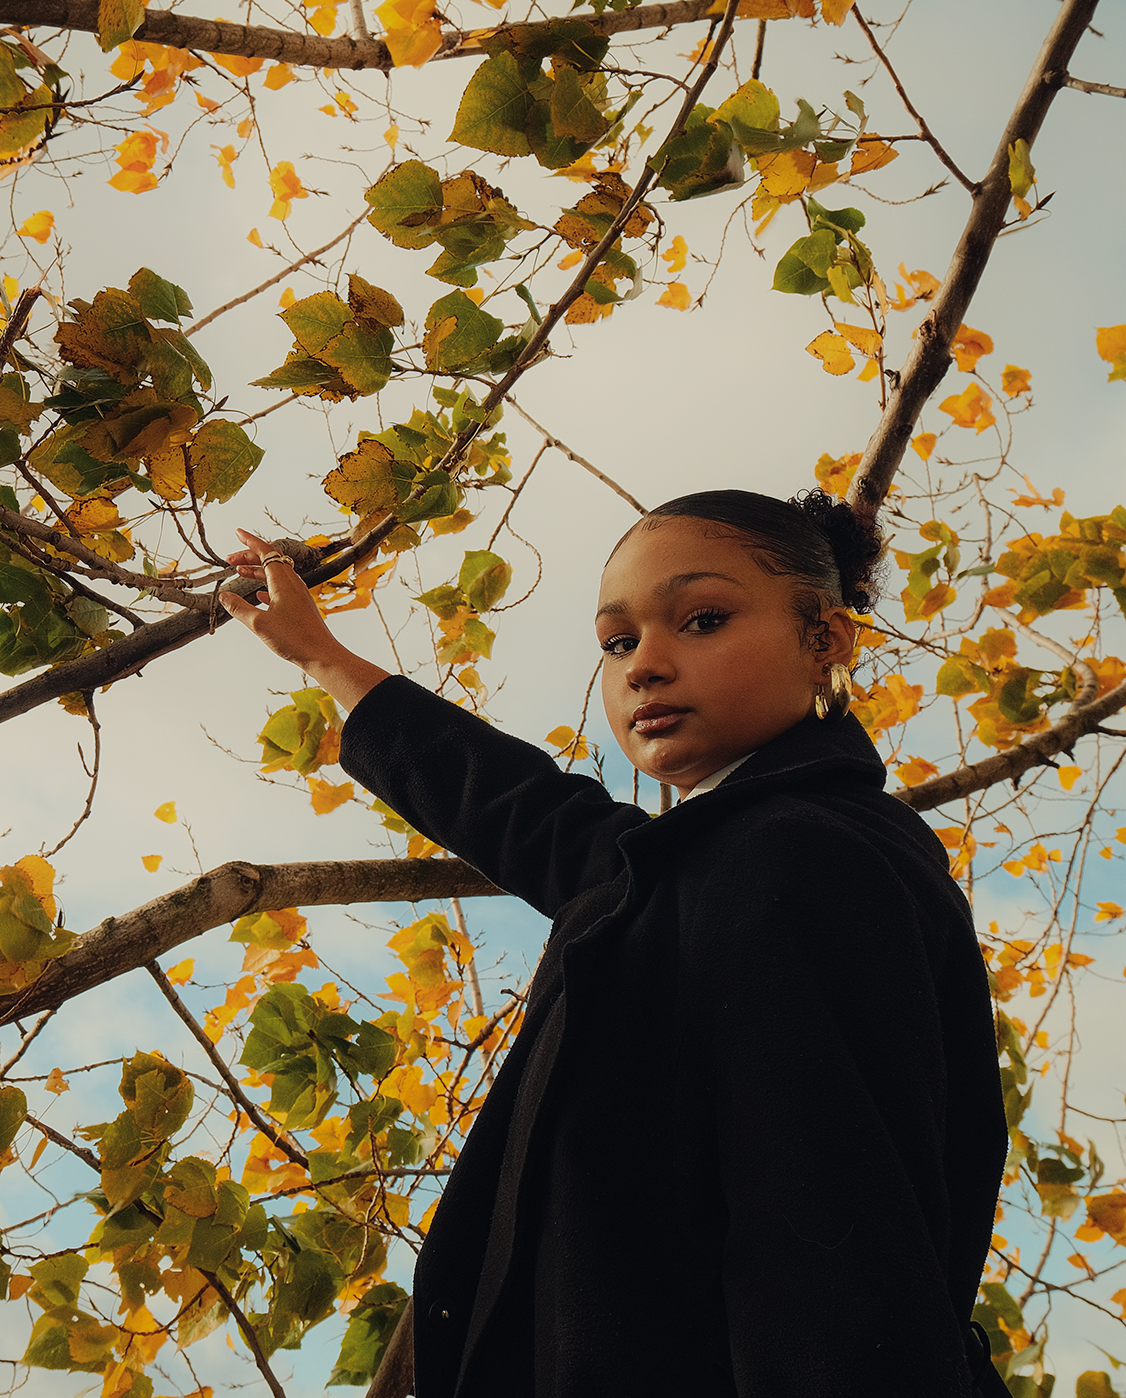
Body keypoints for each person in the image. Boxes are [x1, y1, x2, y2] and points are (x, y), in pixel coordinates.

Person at [219, 490, 1008, 1397]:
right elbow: (515, 807)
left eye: (703, 620)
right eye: (618, 641)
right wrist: (319, 654)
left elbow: (835, 1259)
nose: (645, 667)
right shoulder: (699, 867)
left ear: (826, 639)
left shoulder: (807, 858)